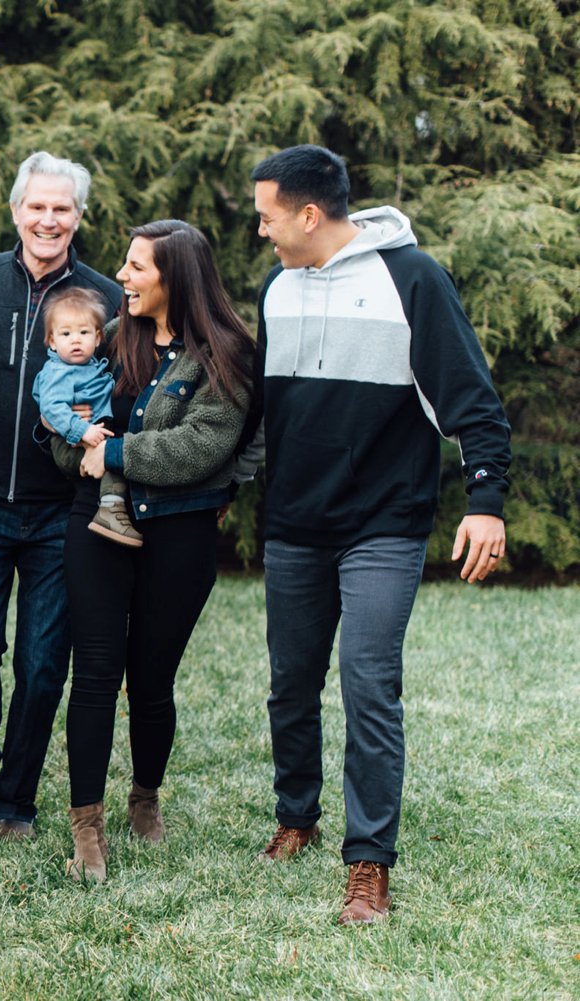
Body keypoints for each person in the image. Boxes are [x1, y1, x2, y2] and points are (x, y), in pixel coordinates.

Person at [250, 145, 511, 924]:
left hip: (383, 526)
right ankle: (296, 814)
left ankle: (368, 863)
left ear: (307, 213)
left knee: (368, 684)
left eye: (266, 216)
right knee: (290, 684)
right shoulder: (276, 289)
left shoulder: (412, 279)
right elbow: (266, 416)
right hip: (295, 524)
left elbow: (471, 398)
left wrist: (487, 499)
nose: (260, 231)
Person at [51, 220, 255, 883]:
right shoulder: (111, 340)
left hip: (179, 534)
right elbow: (60, 422)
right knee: (97, 673)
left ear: (177, 277)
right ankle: (87, 824)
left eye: (137, 267)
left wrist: (106, 451)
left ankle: (145, 796)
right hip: (98, 527)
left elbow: (201, 447)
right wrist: (78, 444)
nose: (123, 277)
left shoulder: (224, 353)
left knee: (152, 679)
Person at [0, 151, 123, 837]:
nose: (49, 219)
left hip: (61, 511)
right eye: (37, 206)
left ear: (78, 215)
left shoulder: (106, 299)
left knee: (44, 661)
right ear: (16, 210)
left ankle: (15, 795)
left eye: (63, 208)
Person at [30, 286, 142, 547]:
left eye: (84, 332)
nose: (76, 340)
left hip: (87, 435)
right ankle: (111, 511)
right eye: (66, 334)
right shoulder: (58, 372)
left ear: (98, 337)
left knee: (116, 451)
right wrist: (81, 430)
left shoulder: (89, 366)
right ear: (52, 341)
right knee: (114, 460)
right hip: (68, 444)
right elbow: (52, 408)